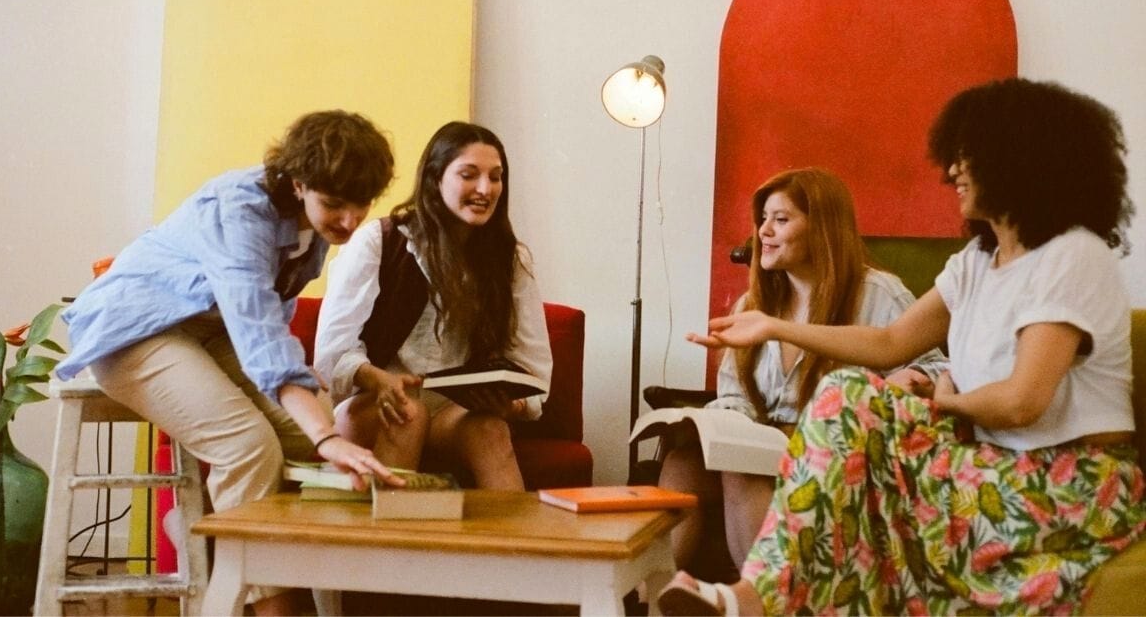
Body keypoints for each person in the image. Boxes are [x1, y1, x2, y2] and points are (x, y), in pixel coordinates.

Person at [661, 78, 1146, 616]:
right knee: (846, 394)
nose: (952, 170)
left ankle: (768, 599)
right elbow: (890, 341)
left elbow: (1021, 402)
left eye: (967, 156)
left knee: (860, 461)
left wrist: (947, 402)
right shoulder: (975, 263)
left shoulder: (1071, 255)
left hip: (1068, 481)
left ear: (1018, 158)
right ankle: (759, 592)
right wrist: (774, 328)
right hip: (983, 462)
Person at [56, 110, 404, 615]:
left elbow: (271, 315)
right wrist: (322, 428)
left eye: (361, 205)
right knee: (247, 446)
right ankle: (271, 606)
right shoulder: (240, 210)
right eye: (334, 204)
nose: (350, 221)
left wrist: (315, 415)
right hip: (133, 330)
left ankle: (216, 530)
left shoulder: (313, 231)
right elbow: (258, 330)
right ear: (299, 182)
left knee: (306, 435)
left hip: (208, 331)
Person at [658, 168, 946, 577]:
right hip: (767, 444)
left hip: (832, 452)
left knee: (739, 468)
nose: (764, 232)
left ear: (822, 228)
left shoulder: (877, 292)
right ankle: (654, 596)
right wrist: (721, 428)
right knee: (683, 464)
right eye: (763, 219)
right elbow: (734, 395)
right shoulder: (752, 306)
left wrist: (907, 379)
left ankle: (764, 598)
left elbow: (935, 364)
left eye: (781, 219)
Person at [314, 120, 551, 490]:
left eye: (495, 177)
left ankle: (511, 531)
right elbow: (333, 350)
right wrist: (379, 379)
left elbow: (531, 360)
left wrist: (511, 404)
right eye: (469, 175)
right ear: (434, 179)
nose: (485, 189)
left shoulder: (510, 258)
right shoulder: (378, 241)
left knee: (491, 430)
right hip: (373, 402)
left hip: (451, 411)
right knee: (408, 412)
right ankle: (392, 527)